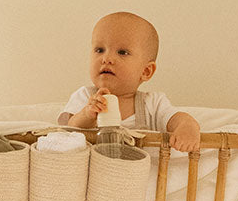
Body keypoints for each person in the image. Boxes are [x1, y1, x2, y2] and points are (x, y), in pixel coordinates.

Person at [57, 12, 201, 152]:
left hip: (138, 174)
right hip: (96, 172)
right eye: (100, 50)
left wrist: (188, 126)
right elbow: (70, 128)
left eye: (122, 52)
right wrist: (87, 115)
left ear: (146, 71)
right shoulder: (85, 96)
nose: (106, 58)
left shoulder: (152, 103)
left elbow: (175, 118)